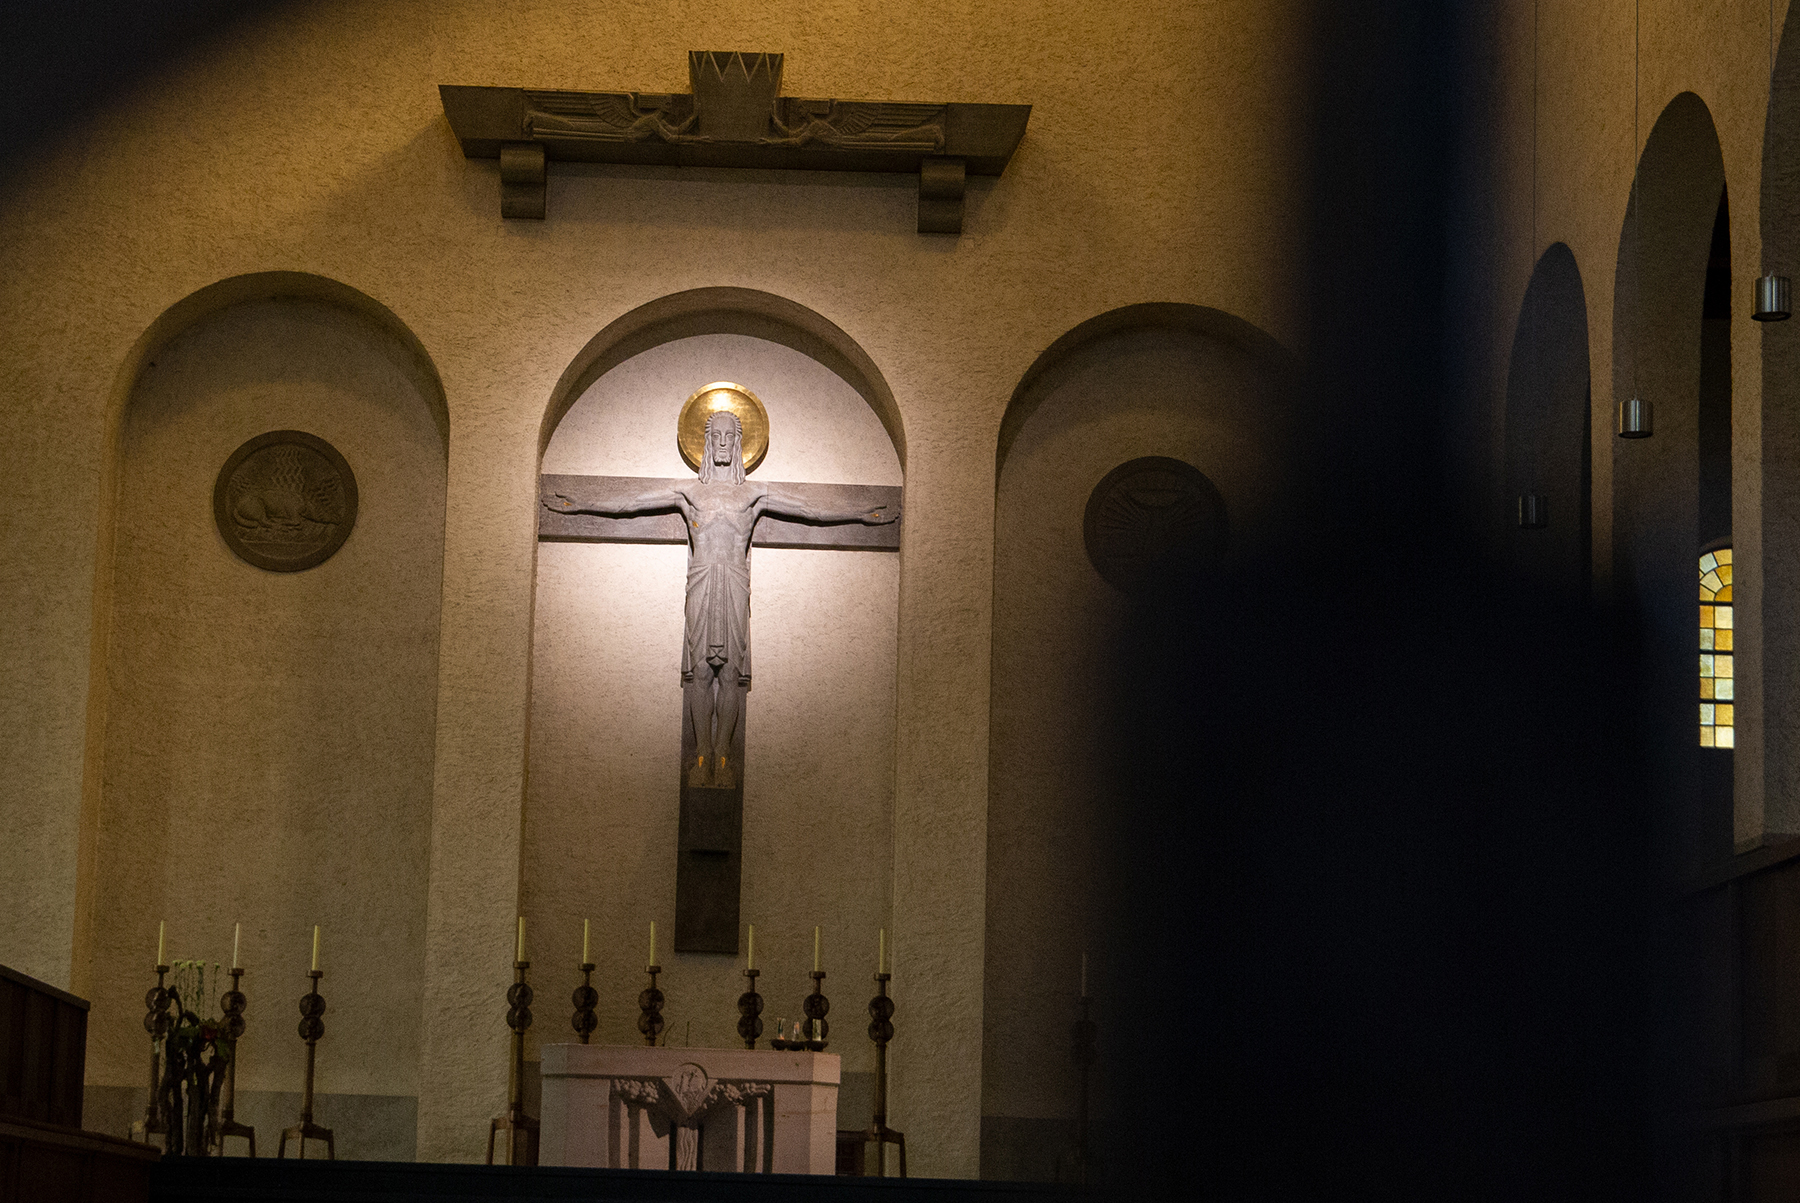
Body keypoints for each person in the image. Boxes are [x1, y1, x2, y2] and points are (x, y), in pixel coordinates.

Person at [547, 410, 897, 787]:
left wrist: (859, 514)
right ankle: (702, 755)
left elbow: (807, 509)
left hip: (733, 582)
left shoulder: (753, 494)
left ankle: (724, 755)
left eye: (731, 436)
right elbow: (631, 502)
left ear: (740, 443)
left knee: (729, 673)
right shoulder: (689, 492)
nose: (724, 443)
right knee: (700, 672)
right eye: (718, 436)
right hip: (701, 581)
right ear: (707, 442)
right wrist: (582, 503)